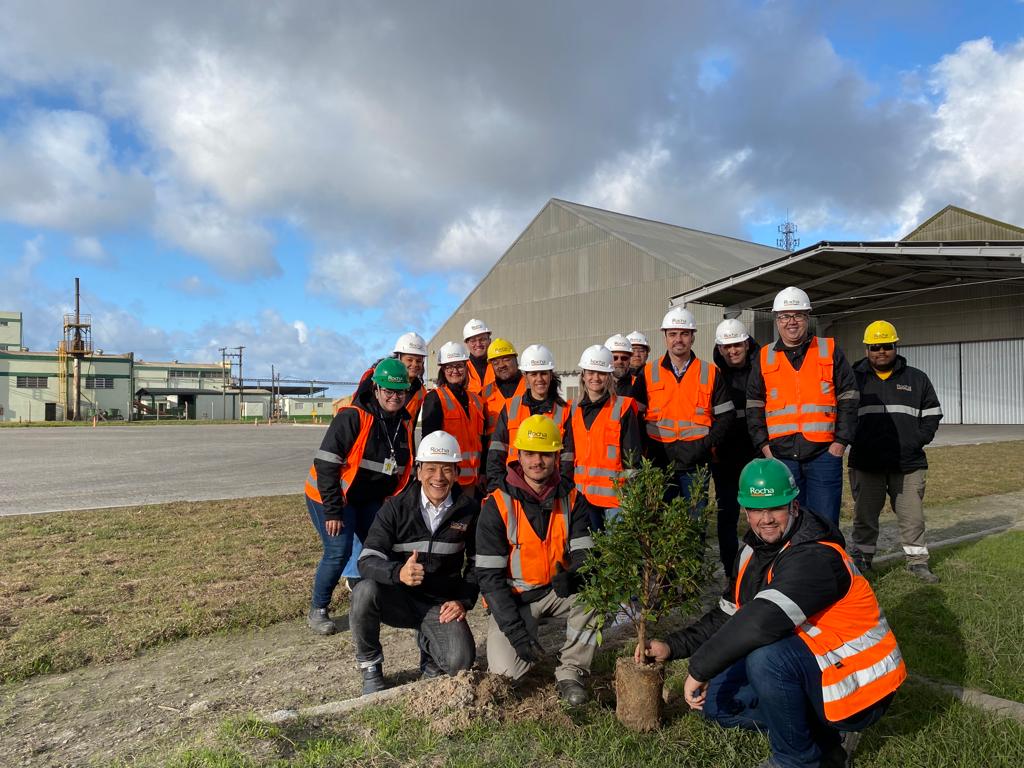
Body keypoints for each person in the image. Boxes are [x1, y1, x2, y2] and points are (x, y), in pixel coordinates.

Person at [637, 459, 906, 768]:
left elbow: (761, 621)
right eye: (755, 510)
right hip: (816, 661)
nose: (765, 519)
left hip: (860, 684)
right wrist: (672, 646)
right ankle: (819, 737)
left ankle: (798, 758)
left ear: (793, 504)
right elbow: (728, 614)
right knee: (717, 706)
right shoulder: (755, 550)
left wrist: (700, 668)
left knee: (767, 658)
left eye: (775, 508)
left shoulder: (816, 554)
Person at [476, 414, 600, 705]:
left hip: (556, 593)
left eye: (545, 454)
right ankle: (525, 641)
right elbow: (490, 581)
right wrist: (516, 633)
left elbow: (586, 554)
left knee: (597, 596)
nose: (537, 461)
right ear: (518, 454)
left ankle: (571, 672)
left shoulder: (572, 499)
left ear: (556, 456)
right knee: (508, 675)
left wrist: (576, 575)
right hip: (515, 601)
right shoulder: (496, 505)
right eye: (530, 453)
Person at [352, 431, 479, 694]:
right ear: (418, 471)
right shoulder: (395, 508)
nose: (438, 477)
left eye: (446, 470)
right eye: (430, 468)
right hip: (399, 599)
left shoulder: (469, 511)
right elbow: (367, 560)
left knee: (461, 664)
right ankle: (371, 666)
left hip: (439, 605)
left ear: (456, 473)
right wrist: (398, 573)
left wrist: (462, 601)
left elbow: (477, 564)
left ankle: (430, 654)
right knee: (364, 591)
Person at [304, 358, 414, 635]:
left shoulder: (403, 423)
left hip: (367, 496)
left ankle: (379, 600)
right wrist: (332, 511)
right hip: (331, 495)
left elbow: (402, 467)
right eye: (388, 390)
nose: (394, 396)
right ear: (376, 389)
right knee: (338, 551)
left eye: (399, 392)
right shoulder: (352, 416)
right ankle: (318, 609)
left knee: (380, 545)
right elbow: (327, 465)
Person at [746, 287, 858, 526]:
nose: (791, 322)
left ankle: (825, 563)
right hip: (781, 456)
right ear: (777, 320)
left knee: (825, 522)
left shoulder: (828, 350)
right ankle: (792, 564)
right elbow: (754, 406)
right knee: (788, 522)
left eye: (798, 315)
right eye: (785, 316)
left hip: (824, 455)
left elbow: (849, 397)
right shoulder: (764, 357)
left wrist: (840, 443)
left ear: (808, 318)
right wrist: (765, 448)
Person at [848, 321, 943, 583]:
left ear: (895, 346)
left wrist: (917, 440)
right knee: (864, 518)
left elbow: (933, 414)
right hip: (867, 464)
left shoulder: (916, 378)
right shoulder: (853, 378)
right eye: (875, 346)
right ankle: (862, 561)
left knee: (912, 518)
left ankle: (917, 563)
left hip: (908, 464)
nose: (881, 351)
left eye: (886, 346)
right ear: (867, 348)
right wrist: (857, 440)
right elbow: (841, 415)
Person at [631, 306, 735, 507]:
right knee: (659, 522)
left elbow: (726, 415)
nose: (678, 339)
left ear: (692, 337)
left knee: (696, 525)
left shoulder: (710, 372)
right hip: (658, 461)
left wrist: (706, 445)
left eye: (684, 334)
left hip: (696, 463)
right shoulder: (649, 372)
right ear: (665, 337)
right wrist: (647, 449)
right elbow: (634, 416)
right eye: (673, 334)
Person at [565, 345, 642, 530]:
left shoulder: (623, 407)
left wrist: (631, 496)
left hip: (616, 500)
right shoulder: (572, 409)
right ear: (583, 375)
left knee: (616, 555)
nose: (595, 378)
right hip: (582, 497)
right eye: (590, 372)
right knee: (589, 554)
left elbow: (632, 457)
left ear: (609, 376)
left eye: (601, 373)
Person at [710, 319, 762, 574]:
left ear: (747, 344)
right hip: (726, 458)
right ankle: (731, 569)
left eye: (737, 345)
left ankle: (763, 562)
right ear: (719, 349)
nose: (732, 351)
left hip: (757, 454)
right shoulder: (714, 376)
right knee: (727, 516)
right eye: (726, 347)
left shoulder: (762, 369)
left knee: (761, 513)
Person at [486, 343, 571, 492]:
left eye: (543, 373)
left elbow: (567, 457)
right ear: (525, 376)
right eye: (533, 374)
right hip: (513, 485)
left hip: (550, 487)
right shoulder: (510, 407)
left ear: (551, 375)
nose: (539, 379)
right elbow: (496, 452)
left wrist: (561, 489)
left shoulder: (563, 411)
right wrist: (497, 487)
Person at [421, 341, 487, 497]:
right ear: (443, 370)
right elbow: (429, 443)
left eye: (459, 366)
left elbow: (482, 440)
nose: (454, 371)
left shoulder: (477, 400)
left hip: (474, 480)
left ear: (466, 367)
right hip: (447, 481)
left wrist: (483, 471)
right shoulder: (434, 398)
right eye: (449, 367)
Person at [353, 332, 430, 424]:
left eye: (419, 361)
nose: (414, 364)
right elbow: (355, 413)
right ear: (399, 358)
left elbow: (411, 424)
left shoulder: (421, 391)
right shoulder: (376, 377)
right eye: (409, 360)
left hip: (400, 436)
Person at [481, 337, 526, 438]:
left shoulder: (530, 387)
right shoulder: (486, 392)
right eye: (495, 362)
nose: (501, 365)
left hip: (525, 452)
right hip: (494, 452)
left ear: (516, 360)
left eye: (506, 359)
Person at [463, 318, 495, 397]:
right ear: (467, 344)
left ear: (489, 340)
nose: (478, 344)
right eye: (473, 340)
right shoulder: (462, 370)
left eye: (482, 339)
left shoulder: (498, 366)